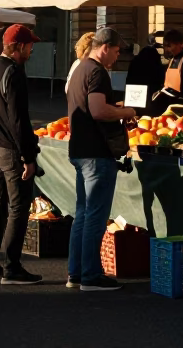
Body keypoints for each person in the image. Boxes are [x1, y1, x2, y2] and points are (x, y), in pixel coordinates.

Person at [65, 27, 136, 292]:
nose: (116, 58)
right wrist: (125, 111)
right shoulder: (97, 72)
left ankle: (76, 273)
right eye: (116, 52)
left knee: (82, 214)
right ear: (105, 47)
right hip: (97, 152)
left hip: (80, 150)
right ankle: (91, 276)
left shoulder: (79, 69)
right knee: (95, 215)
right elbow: (96, 110)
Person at [0, 24, 44, 285]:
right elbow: (19, 120)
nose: (31, 50)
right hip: (10, 150)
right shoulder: (13, 73)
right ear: (18, 47)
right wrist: (28, 156)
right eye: (29, 46)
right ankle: (12, 268)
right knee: (18, 207)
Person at [150, 29, 183, 113]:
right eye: (165, 46)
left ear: (180, 44)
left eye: (169, 46)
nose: (166, 49)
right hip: (168, 109)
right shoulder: (171, 61)